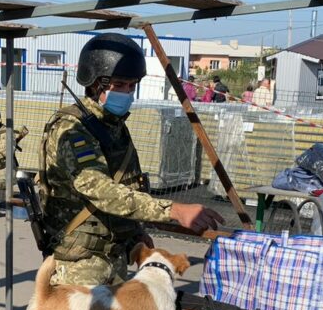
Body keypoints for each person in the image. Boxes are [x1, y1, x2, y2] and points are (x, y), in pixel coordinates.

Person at [37, 33, 224, 286]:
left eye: (131, 86)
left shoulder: (113, 126)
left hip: (113, 252)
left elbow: (126, 184)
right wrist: (173, 210)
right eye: (119, 85)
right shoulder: (72, 129)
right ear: (95, 84)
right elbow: (100, 190)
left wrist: (135, 232)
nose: (126, 93)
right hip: (80, 262)